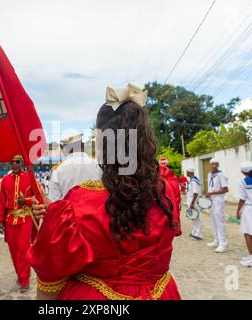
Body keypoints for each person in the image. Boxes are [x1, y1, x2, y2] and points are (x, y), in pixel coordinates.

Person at [28, 84, 181, 300]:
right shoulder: (167, 189)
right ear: (144, 138)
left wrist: (55, 218)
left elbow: (50, 276)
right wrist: (54, 211)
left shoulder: (78, 206)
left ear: (100, 140)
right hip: (161, 293)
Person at [0, 155, 35, 293]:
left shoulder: (30, 178)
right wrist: (0, 220)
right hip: (10, 220)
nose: (14, 164)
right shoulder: (4, 180)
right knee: (13, 251)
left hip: (25, 218)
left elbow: (38, 197)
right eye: (11, 162)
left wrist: (27, 201)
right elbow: (0, 202)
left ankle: (24, 280)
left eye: (17, 162)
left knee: (23, 249)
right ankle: (20, 274)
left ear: (22, 163)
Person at [48, 136, 101, 202]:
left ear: (66, 149)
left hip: (70, 211)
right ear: (83, 145)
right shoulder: (98, 166)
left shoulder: (58, 171)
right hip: (98, 210)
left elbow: (54, 203)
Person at [205, 158, 229, 253]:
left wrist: (212, 193)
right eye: (212, 164)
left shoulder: (221, 175)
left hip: (218, 199)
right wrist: (208, 195)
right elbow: (210, 187)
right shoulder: (209, 175)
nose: (214, 165)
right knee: (213, 220)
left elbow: (225, 189)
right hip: (211, 199)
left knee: (219, 221)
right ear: (210, 165)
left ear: (218, 165)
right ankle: (216, 240)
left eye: (216, 164)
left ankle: (223, 243)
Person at [186, 168, 202, 241]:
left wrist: (192, 203)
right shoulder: (192, 181)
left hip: (194, 203)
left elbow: (195, 193)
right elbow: (190, 191)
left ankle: (198, 234)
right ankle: (194, 232)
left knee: (196, 218)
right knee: (193, 218)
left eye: (187, 172)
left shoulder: (194, 181)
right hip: (191, 202)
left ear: (190, 172)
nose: (186, 173)